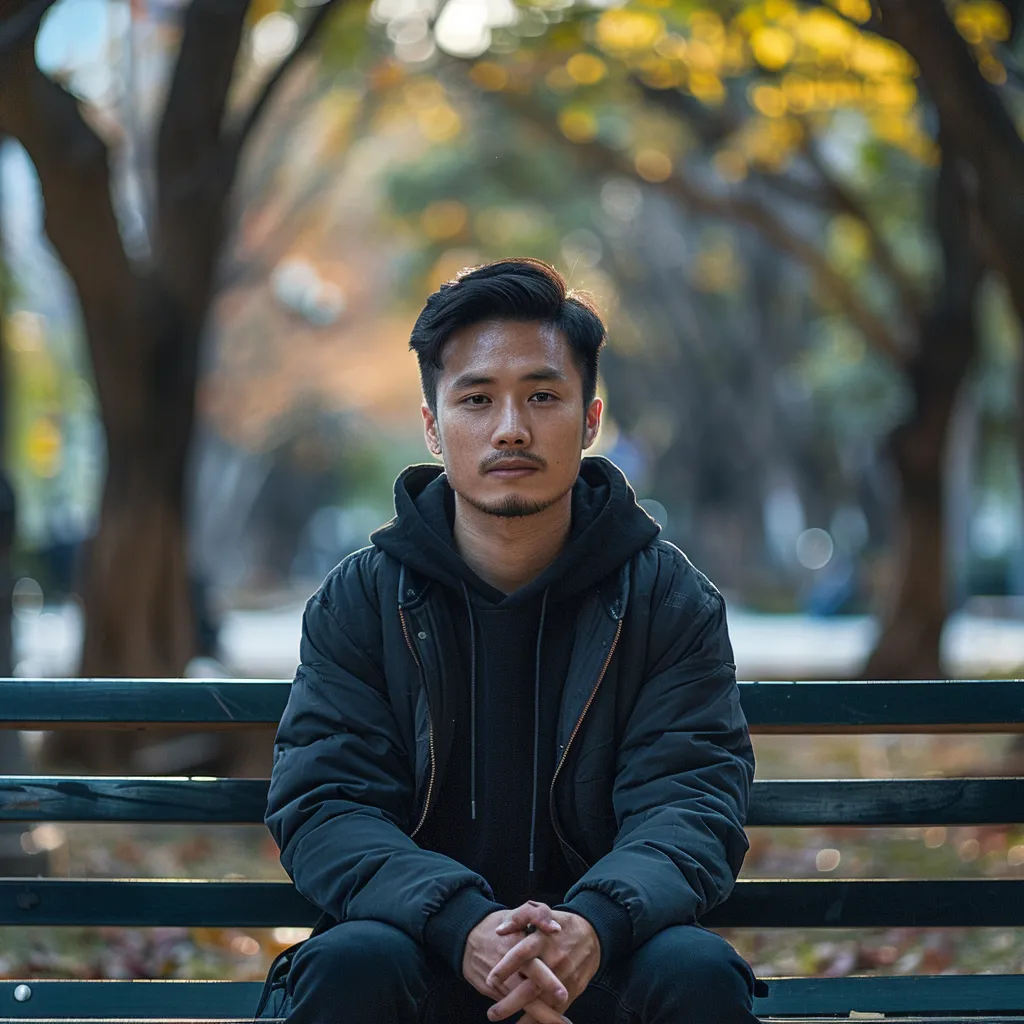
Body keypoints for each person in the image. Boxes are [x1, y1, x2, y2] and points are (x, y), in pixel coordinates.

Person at [261, 258, 762, 1024]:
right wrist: (463, 926)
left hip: (605, 960)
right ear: (432, 426)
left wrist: (590, 926)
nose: (511, 429)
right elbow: (329, 804)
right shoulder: (362, 602)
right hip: (420, 951)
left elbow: (690, 800)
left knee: (697, 972)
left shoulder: (667, 600)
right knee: (348, 965)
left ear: (590, 420)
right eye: (476, 399)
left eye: (542, 396)